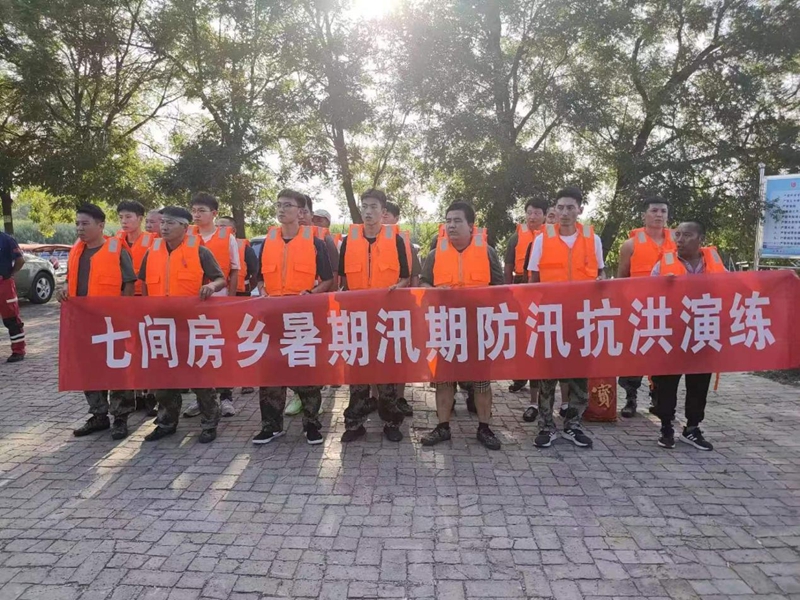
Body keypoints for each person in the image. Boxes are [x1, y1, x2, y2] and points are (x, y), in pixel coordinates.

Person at [419, 202, 505, 451]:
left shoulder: (487, 252)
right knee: (444, 379)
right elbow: (423, 284)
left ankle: (484, 427)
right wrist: (435, 291)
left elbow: (500, 288)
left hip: (478, 326)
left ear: (471, 226)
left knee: (481, 381)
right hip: (445, 326)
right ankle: (442, 426)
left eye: (457, 221)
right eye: (448, 221)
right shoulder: (435, 253)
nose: (451, 226)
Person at [138, 206, 227, 443]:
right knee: (163, 379)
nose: (164, 227)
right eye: (162, 223)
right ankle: (166, 422)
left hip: (192, 325)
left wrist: (211, 286)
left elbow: (220, 278)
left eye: (170, 223)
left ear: (185, 227)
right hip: (161, 325)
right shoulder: (152, 251)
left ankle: (209, 423)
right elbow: (144, 282)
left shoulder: (199, 251)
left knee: (200, 376)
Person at [253, 189, 334, 446]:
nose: (281, 209)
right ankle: (271, 426)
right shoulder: (268, 242)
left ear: (300, 212)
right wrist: (263, 293)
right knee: (271, 372)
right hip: (272, 316)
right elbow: (260, 278)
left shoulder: (315, 243)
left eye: (287, 205)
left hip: (302, 318)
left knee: (305, 372)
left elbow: (328, 280)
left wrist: (310, 294)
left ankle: (311, 425)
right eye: (278, 205)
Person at [527, 187, 605, 449]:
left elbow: (601, 275)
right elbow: (533, 280)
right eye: (560, 207)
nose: (564, 213)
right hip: (551, 316)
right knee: (548, 373)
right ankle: (546, 426)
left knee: (579, 374)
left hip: (583, 317)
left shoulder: (593, 240)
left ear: (580, 209)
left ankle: (573, 424)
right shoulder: (542, 240)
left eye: (570, 207)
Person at [58, 204, 138, 440]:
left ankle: (120, 417)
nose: (79, 228)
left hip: (112, 323)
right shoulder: (77, 250)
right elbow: (71, 278)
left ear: (101, 225)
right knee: (88, 368)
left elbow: (129, 283)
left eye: (85, 224)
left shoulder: (116, 249)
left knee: (116, 368)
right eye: (77, 224)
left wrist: (123, 314)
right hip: (82, 322)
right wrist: (64, 288)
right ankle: (99, 415)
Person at [338, 189, 410, 443]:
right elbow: (343, 280)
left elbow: (405, 278)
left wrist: (396, 288)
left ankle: (391, 421)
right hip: (357, 318)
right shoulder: (349, 241)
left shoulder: (395, 240)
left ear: (383, 211)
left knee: (386, 372)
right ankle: (355, 423)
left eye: (373, 207)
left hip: (386, 317)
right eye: (364, 206)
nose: (368, 212)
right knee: (357, 373)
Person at [650, 221, 725, 451]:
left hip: (703, 330)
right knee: (666, 383)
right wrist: (664, 286)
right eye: (678, 235)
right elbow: (647, 294)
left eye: (687, 235)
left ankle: (692, 428)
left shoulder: (715, 263)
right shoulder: (664, 264)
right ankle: (666, 428)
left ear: (701, 239)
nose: (680, 240)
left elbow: (732, 290)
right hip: (673, 332)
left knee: (699, 383)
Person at [616, 196, 676, 418]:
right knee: (635, 356)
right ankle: (630, 398)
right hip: (638, 310)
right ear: (644, 215)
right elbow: (622, 279)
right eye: (654, 210)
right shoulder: (630, 245)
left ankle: (658, 398)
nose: (659, 215)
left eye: (663, 211)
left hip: (668, 310)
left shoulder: (677, 242)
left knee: (663, 357)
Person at [185, 192, 240, 418]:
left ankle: (226, 397)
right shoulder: (186, 236)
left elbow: (234, 270)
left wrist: (231, 301)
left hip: (219, 299)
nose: (196, 215)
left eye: (202, 211)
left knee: (220, 348)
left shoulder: (227, 237)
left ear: (214, 213)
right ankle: (202, 399)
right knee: (198, 349)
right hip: (192, 301)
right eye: (194, 211)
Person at [505, 197, 548, 411]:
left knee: (540, 340)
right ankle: (521, 375)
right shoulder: (516, 237)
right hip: (521, 285)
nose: (532, 217)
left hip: (544, 289)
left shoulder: (551, 237)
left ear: (545, 215)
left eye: (537, 213)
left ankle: (542, 391)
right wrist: (506, 291)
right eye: (529, 212)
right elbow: (508, 264)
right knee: (522, 337)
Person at [0, 231, 26, 363]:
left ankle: (18, 350)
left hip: (4, 283)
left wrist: (10, 274)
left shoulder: (7, 240)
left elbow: (20, 260)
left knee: (11, 319)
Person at [216, 216, 259, 296]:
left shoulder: (246, 249)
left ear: (234, 230)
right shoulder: (209, 246)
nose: (218, 229)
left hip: (240, 294)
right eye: (216, 227)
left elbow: (255, 274)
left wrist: (247, 289)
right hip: (216, 292)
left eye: (222, 227)